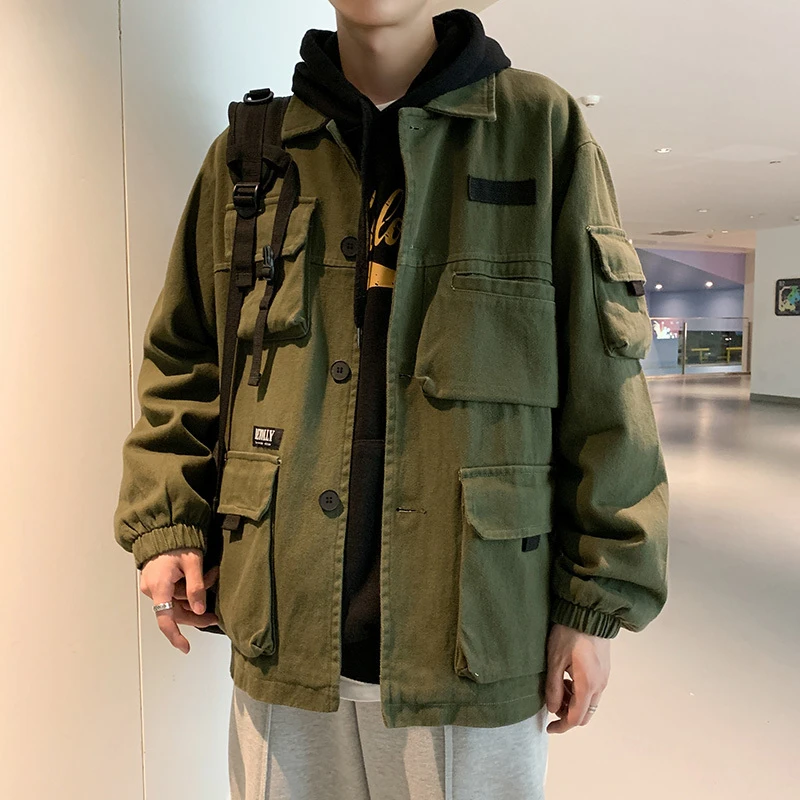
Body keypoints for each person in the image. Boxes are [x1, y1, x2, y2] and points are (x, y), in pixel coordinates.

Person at [114, 2, 669, 798]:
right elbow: (186, 355)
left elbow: (604, 382)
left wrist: (592, 605)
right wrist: (169, 519)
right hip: (284, 632)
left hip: (475, 639)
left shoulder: (539, 130)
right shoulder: (251, 154)